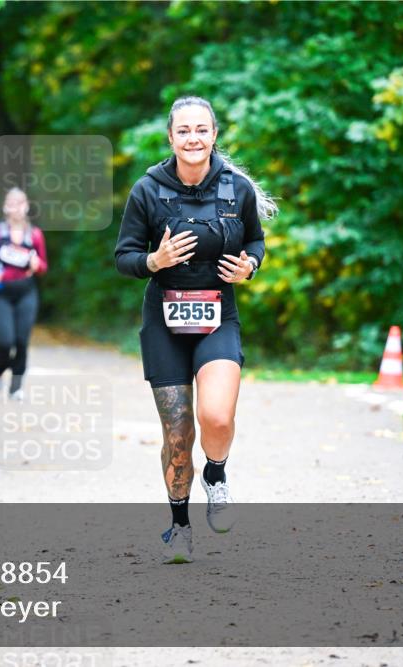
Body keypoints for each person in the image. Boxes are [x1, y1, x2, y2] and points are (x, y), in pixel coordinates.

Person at [114, 95, 277, 563]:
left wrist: (251, 266)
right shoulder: (147, 190)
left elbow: (255, 241)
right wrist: (153, 260)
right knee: (179, 433)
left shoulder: (236, 188)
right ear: (171, 137)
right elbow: (123, 257)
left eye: (201, 129)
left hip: (216, 316)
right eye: (183, 130)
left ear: (214, 135)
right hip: (164, 319)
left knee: (218, 418)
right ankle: (179, 527)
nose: (193, 138)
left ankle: (218, 473)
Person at [0, 187, 49, 401]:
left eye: (21, 204)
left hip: (26, 292)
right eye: (12, 204)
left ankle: (16, 388)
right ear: (6, 207)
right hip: (1, 294)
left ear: (26, 207)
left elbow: (43, 267)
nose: (17, 209)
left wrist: (38, 264)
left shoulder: (34, 235)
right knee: (6, 342)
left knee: (22, 341)